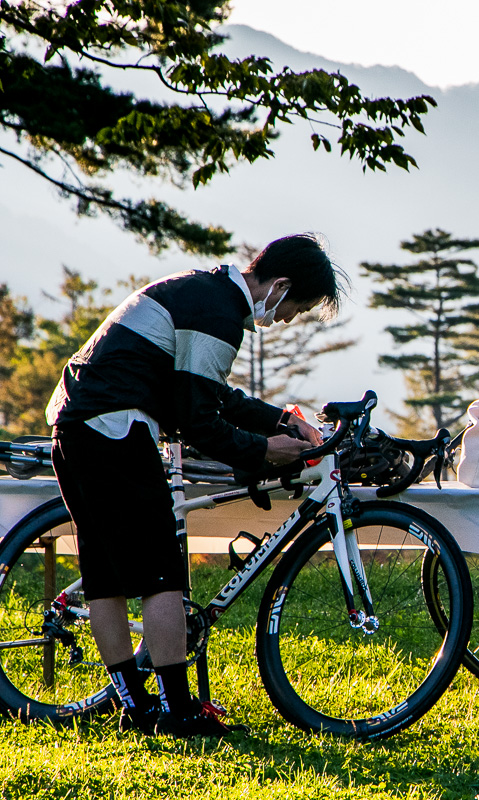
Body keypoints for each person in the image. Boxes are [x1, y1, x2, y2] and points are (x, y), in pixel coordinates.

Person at [45, 233, 346, 737]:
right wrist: (265, 451)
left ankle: (136, 706)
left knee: (106, 576)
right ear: (280, 284)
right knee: (162, 576)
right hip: (116, 426)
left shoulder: (199, 292)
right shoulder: (219, 314)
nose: (289, 318)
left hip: (73, 421)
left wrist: (277, 421)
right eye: (296, 306)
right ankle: (179, 711)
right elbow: (199, 419)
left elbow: (208, 394)